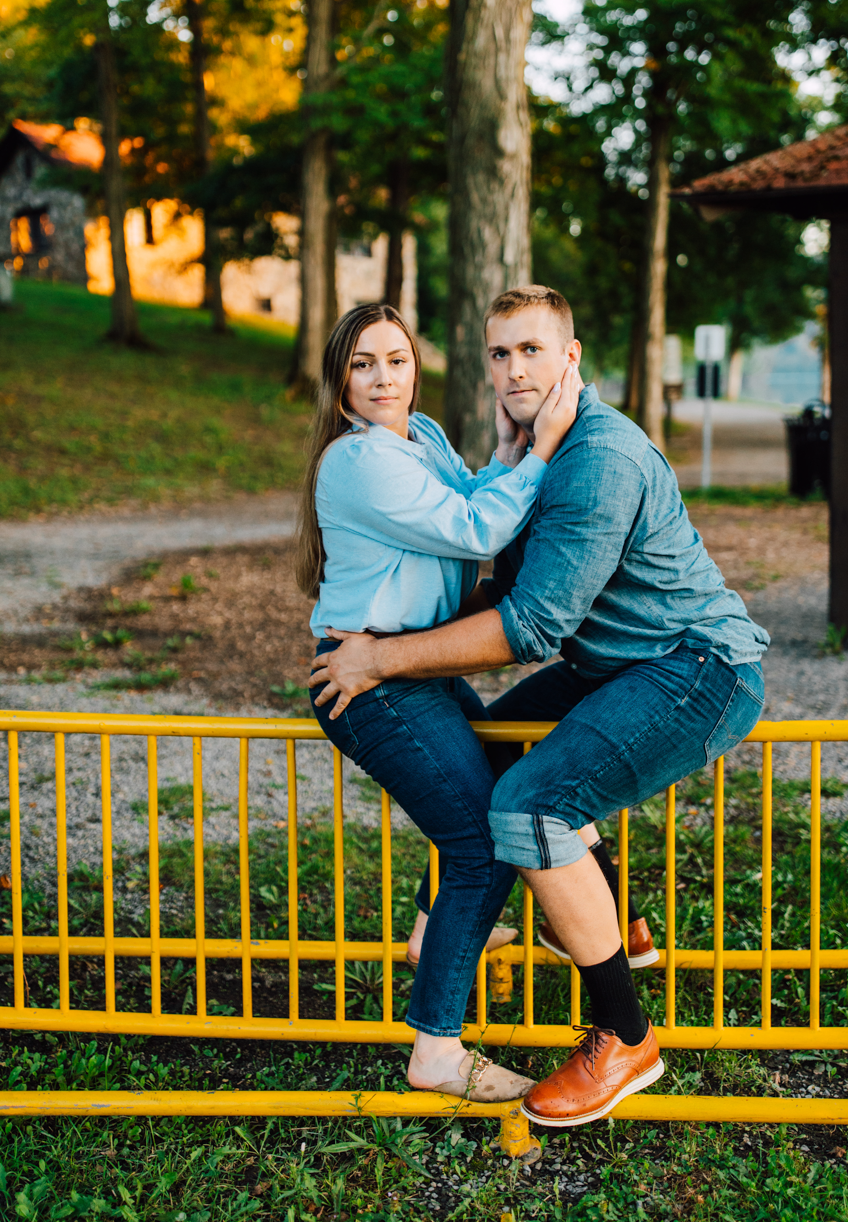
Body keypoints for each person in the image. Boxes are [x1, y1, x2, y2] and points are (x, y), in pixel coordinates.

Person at [310, 285, 770, 1128]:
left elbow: (531, 623)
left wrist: (381, 653)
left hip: (694, 666)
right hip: (620, 662)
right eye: (498, 353)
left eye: (532, 350)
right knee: (491, 751)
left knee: (529, 803)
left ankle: (623, 1036)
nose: (514, 367)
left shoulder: (593, 457)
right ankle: (573, 916)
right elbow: (494, 565)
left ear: (570, 357)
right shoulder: (531, 446)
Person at [297, 301, 581, 1103]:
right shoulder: (357, 462)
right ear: (340, 380)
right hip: (370, 678)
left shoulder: (418, 436)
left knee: (493, 799)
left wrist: (498, 452)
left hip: (411, 667)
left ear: (415, 365)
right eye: (362, 364)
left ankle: (436, 928)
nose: (383, 377)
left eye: (395, 359)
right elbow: (473, 529)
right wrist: (540, 452)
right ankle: (436, 1054)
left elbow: (475, 492)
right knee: (482, 845)